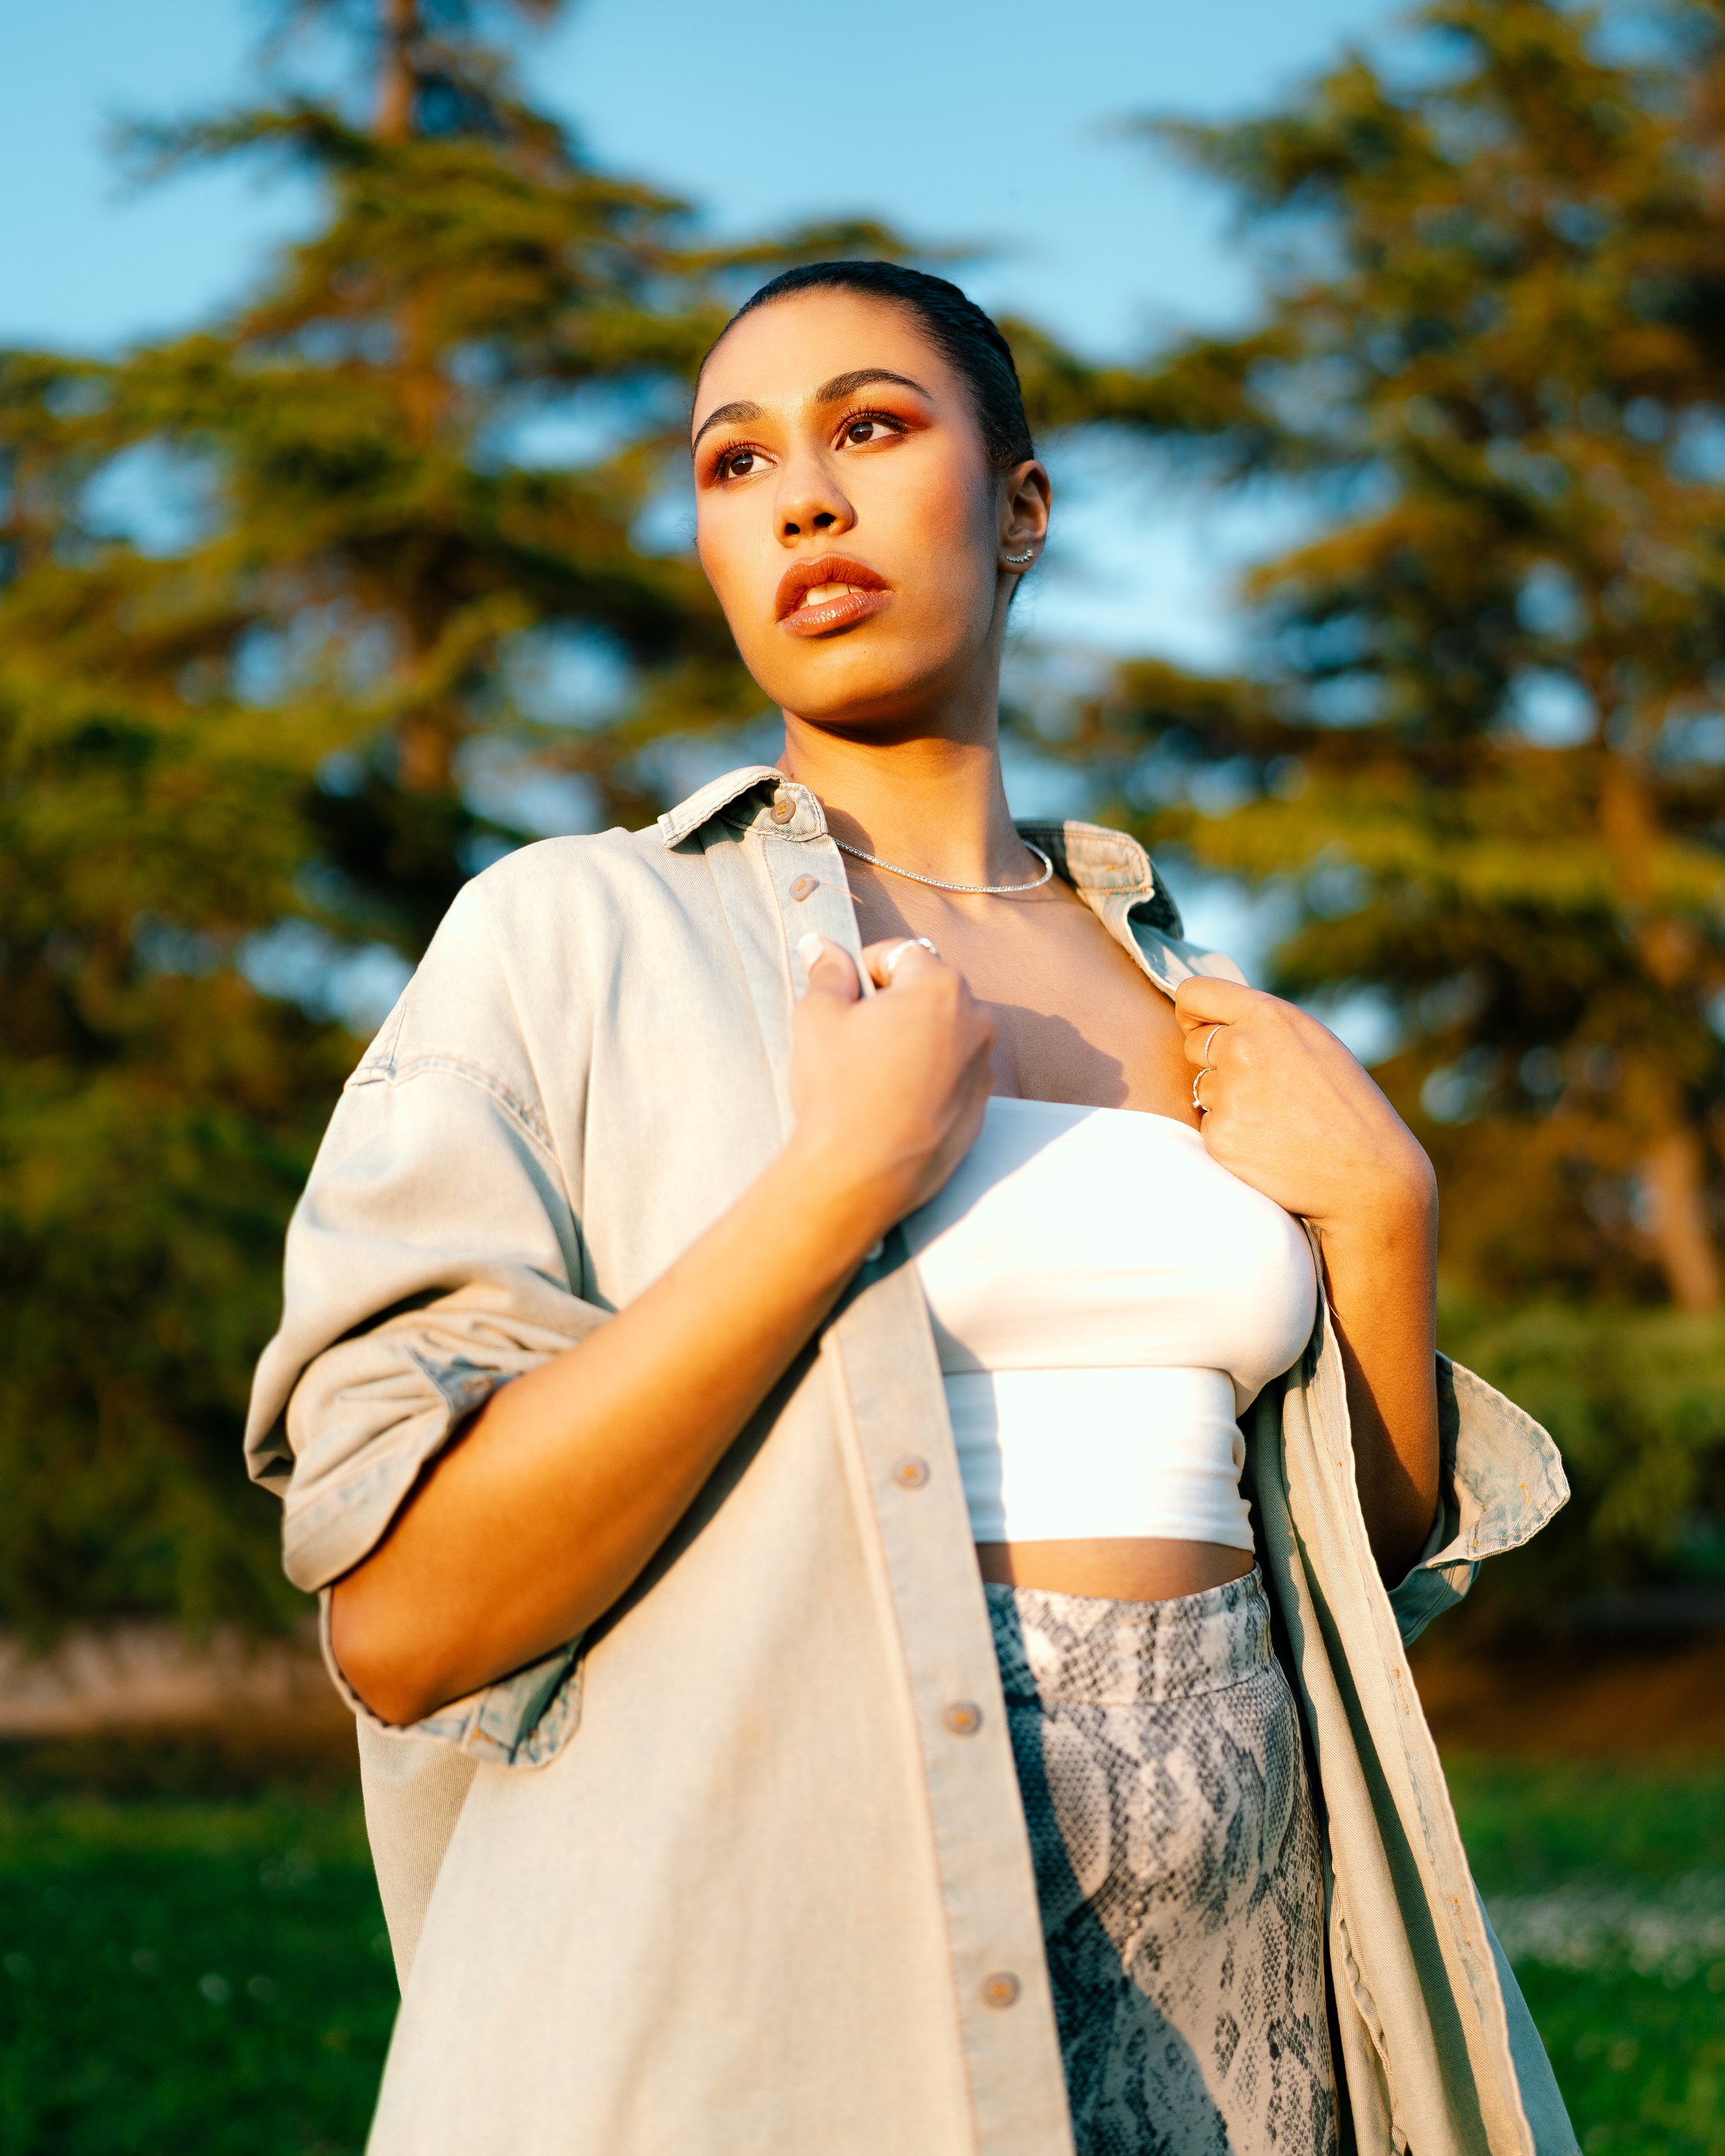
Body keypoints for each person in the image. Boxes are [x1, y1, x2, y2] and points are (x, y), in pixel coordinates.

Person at [246, 262, 1577, 2156]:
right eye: (734, 463)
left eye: (869, 427)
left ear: (1019, 506)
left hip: (1259, 2025)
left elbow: (1331, 1568)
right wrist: (836, 1183)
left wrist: (1382, 1220)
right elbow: (402, 1618)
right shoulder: (579, 935)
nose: (802, 497)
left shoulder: (1197, 1000)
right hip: (802, 2012)